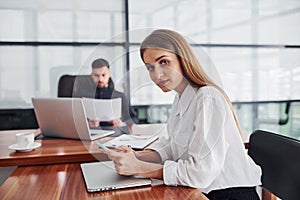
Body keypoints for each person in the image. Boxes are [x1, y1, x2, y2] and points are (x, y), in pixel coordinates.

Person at [99, 29, 262, 199]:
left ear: (182, 59)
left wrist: (139, 167)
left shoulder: (207, 98)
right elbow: (172, 147)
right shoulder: (180, 99)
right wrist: (136, 156)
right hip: (203, 191)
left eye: (164, 62)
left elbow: (200, 173)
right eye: (150, 67)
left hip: (227, 195)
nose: (157, 75)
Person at [73, 58, 138, 130]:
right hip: (92, 134)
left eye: (103, 75)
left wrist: (122, 123)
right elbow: (74, 119)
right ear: (92, 75)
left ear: (109, 74)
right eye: (96, 75)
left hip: (115, 134)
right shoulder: (83, 97)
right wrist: (86, 123)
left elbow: (134, 119)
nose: (100, 79)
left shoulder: (120, 96)